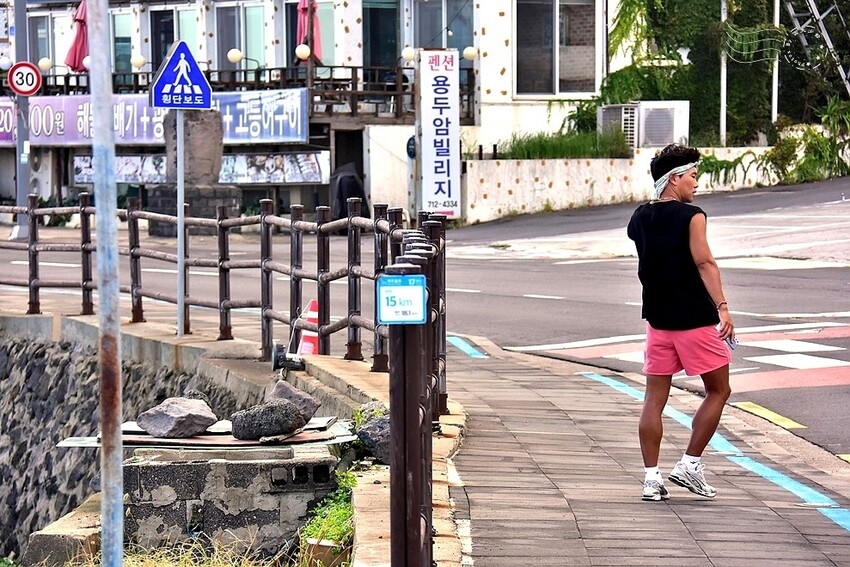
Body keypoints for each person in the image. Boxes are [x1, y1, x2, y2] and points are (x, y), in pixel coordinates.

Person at [626, 143, 735, 502]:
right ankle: (690, 464)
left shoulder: (639, 217)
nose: (696, 182)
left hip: (658, 322)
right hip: (695, 319)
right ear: (674, 179)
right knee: (719, 390)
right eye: (692, 176)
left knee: (653, 399)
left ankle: (651, 478)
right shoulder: (693, 216)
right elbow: (704, 263)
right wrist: (723, 307)